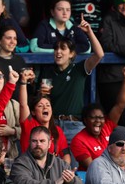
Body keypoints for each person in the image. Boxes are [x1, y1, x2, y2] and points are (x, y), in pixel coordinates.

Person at [39, 15, 104, 143]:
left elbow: (99, 54)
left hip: (74, 126)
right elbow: (43, 100)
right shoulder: (48, 72)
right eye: (56, 48)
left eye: (63, 48)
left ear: (72, 54)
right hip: (53, 125)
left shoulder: (78, 69)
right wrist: (42, 93)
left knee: (75, 163)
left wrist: (89, 32)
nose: (58, 52)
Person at [70, 66, 125, 171]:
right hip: (95, 180)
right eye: (93, 118)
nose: (98, 121)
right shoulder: (78, 140)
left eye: (101, 118)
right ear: (85, 120)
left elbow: (120, 105)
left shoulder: (108, 126)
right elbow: (93, 168)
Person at [10, 126, 84, 184]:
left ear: (49, 144)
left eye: (42, 141)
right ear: (29, 142)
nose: (38, 144)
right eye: (34, 141)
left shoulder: (61, 164)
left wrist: (71, 181)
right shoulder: (20, 163)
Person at [19, 72, 72, 165]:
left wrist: (65, 169)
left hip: (51, 172)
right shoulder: (29, 125)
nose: (45, 108)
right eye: (40, 106)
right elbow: (23, 105)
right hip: (30, 169)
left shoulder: (57, 131)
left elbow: (65, 154)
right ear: (33, 112)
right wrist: (23, 82)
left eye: (48, 105)